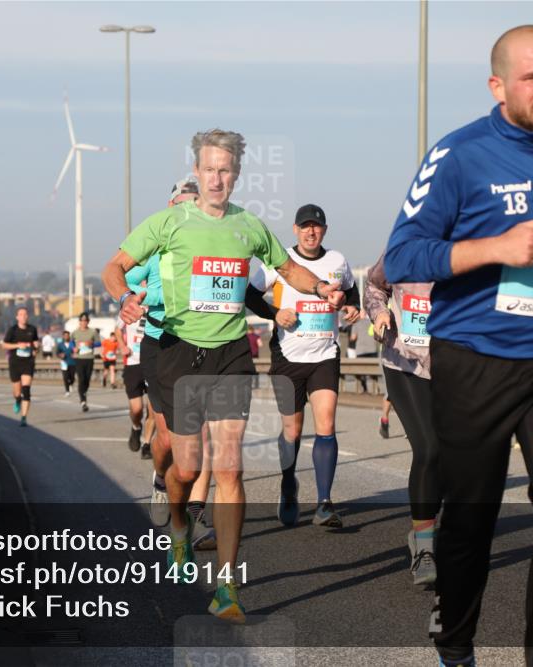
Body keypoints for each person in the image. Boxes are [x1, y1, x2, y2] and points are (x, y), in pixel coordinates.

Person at [384, 25, 533, 666]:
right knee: (471, 520)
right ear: (499, 86)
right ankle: (456, 642)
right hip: (476, 358)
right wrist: (496, 248)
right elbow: (403, 253)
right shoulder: (460, 154)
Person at [103, 129, 345, 623]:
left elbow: (285, 269)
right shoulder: (168, 222)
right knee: (188, 469)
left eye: (226, 170)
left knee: (230, 469)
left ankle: (228, 587)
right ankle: (179, 531)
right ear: (198, 171)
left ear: (236, 175)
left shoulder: (249, 226)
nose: (217, 178)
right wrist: (123, 298)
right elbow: (116, 266)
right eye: (209, 169)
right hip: (177, 353)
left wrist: (320, 286)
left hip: (232, 352)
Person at [247, 203, 360, 529]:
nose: (311, 231)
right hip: (287, 356)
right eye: (305, 226)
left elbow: (351, 291)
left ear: (324, 230)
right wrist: (273, 314)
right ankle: (288, 483)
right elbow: (250, 295)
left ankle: (324, 503)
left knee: (326, 424)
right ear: (296, 229)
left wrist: (352, 307)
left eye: (317, 226)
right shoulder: (280, 261)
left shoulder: (337, 262)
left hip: (325, 353)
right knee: (292, 430)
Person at [126, 179, 202, 521]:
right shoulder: (155, 249)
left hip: (199, 344)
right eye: (182, 204)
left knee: (200, 437)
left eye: (194, 204)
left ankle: (193, 509)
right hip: (159, 342)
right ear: (171, 207)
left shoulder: (206, 247)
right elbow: (124, 274)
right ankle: (160, 480)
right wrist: (138, 297)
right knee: (168, 438)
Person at [365, 254, 441, 585]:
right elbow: (373, 284)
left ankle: (430, 528)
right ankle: (424, 547)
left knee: (453, 457)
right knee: (429, 449)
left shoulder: (476, 245)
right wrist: (380, 312)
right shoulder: (404, 248)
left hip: (455, 368)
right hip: (404, 362)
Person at [116, 312, 151, 453]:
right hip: (133, 363)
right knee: (137, 409)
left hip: (153, 363)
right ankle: (136, 427)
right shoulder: (130, 306)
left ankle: (147, 444)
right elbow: (117, 330)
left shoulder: (160, 304)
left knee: (153, 409)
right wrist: (122, 346)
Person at [2, 308, 38, 426]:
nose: (23, 316)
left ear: (27, 317)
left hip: (28, 362)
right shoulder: (12, 330)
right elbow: (4, 345)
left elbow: (35, 343)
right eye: (21, 314)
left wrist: (36, 347)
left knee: (26, 390)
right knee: (17, 392)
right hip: (15, 363)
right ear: (17, 317)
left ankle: (24, 417)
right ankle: (17, 400)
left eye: (25, 314)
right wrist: (18, 345)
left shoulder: (32, 329)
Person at [72, 313, 99, 412]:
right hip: (79, 358)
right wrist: (74, 348)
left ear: (88, 321)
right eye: (82, 321)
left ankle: (84, 392)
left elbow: (99, 342)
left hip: (89, 358)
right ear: (79, 322)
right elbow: (71, 343)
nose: (83, 322)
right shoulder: (75, 332)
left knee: (87, 379)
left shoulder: (92, 332)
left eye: (85, 321)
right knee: (81, 379)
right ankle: (83, 401)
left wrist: (92, 343)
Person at [57, 330, 76, 396]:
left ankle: (71, 384)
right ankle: (67, 391)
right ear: (63, 336)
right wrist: (60, 355)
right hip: (64, 362)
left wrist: (75, 354)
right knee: (65, 377)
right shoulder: (60, 345)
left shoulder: (73, 343)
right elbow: (57, 353)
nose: (66, 337)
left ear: (69, 336)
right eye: (65, 336)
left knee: (72, 377)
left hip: (73, 362)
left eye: (67, 335)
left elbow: (77, 350)